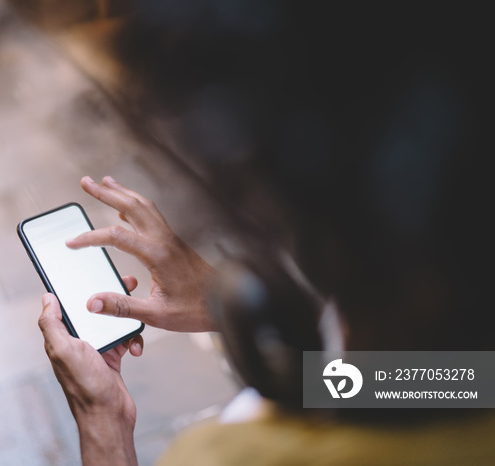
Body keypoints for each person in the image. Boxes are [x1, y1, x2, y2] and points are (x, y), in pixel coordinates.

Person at [36, 2, 494, 464]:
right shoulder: (462, 374)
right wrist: (296, 369)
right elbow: (448, 380)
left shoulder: (229, 456)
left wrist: (104, 419)